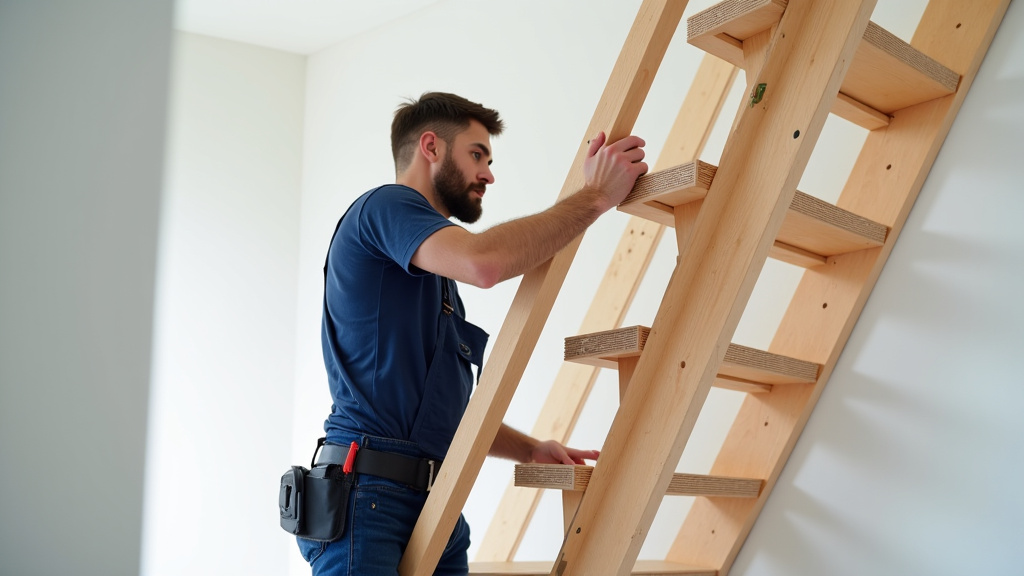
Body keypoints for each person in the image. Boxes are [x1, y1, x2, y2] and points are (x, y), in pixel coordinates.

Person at [298, 92, 647, 575]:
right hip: (368, 498)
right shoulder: (385, 206)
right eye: (477, 154)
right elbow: (485, 263)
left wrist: (530, 449)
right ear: (431, 147)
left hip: (434, 501)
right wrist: (596, 196)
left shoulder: (434, 280)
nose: (488, 174)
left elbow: (443, 415)